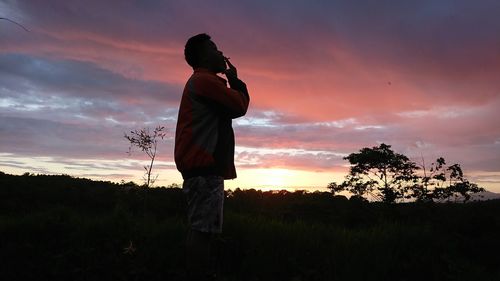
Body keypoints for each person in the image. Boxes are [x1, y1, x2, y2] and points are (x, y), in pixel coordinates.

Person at [174, 33, 250, 281]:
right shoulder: (205, 81)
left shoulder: (202, 82)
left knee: (199, 228)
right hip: (204, 167)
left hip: (200, 167)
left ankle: (193, 272)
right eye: (215, 49)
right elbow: (239, 106)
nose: (221, 53)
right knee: (203, 231)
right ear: (204, 56)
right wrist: (236, 81)